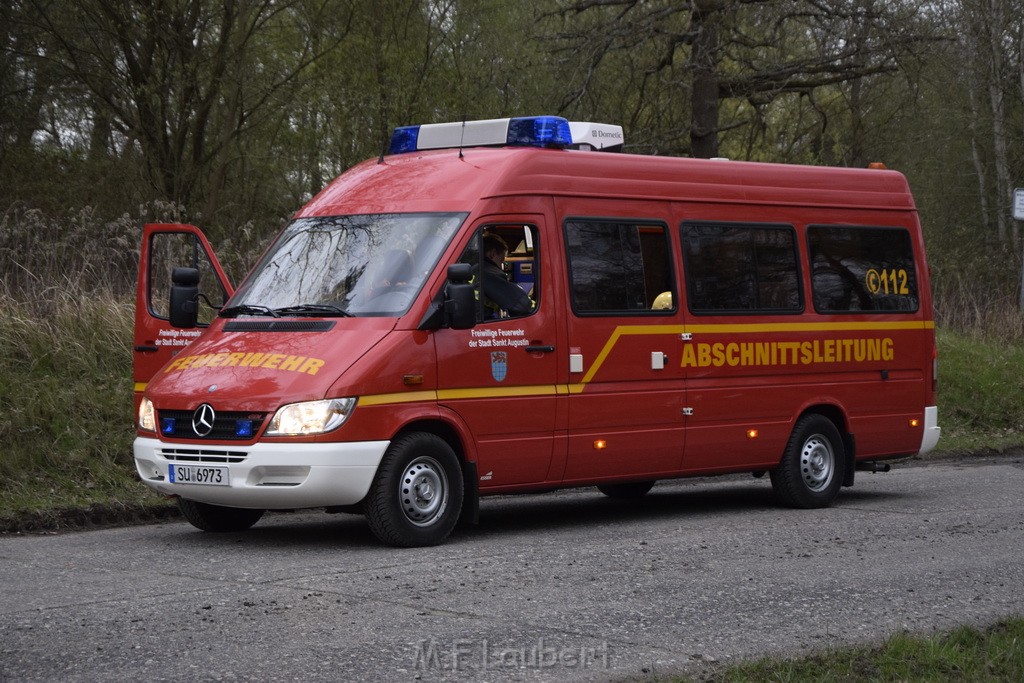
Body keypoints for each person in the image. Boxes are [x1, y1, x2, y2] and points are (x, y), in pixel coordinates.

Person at [482, 234, 533, 316]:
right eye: (501, 261)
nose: (500, 265)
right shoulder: (491, 274)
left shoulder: (474, 268)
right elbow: (522, 305)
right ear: (492, 254)